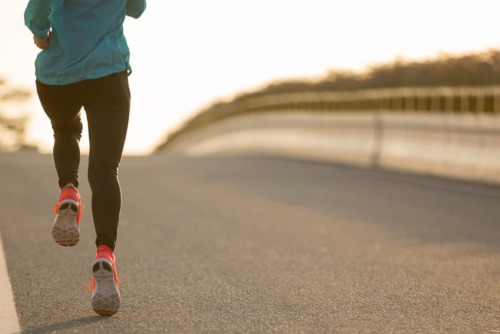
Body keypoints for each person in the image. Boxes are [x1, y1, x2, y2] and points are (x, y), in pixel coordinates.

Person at [24, 0, 146, 316]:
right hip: (108, 73)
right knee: (105, 170)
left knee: (65, 131)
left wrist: (39, 32)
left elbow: (37, 7)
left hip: (57, 77)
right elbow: (137, 8)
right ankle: (104, 254)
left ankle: (68, 191)